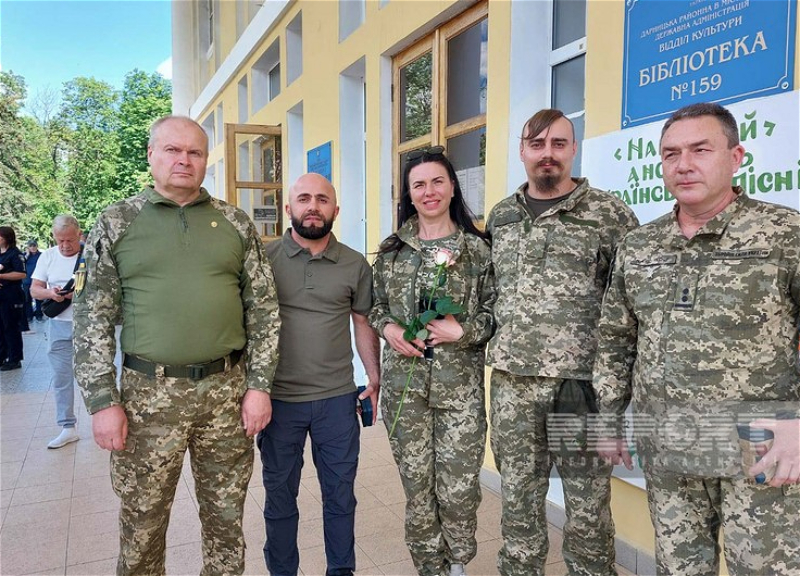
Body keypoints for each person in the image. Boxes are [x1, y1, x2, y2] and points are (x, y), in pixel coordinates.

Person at [594, 102, 800, 575]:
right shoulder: (639, 245)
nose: (683, 164)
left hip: (761, 447)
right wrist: (608, 417)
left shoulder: (784, 234)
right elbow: (616, 337)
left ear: (736, 156)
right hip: (669, 447)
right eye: (671, 154)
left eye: (700, 150)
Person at [74, 115, 281, 576]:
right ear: (151, 155)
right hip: (147, 397)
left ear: (206, 160)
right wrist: (102, 401)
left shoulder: (235, 222)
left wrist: (259, 386)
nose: (184, 160)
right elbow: (92, 319)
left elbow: (264, 310)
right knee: (143, 526)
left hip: (226, 394)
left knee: (226, 522)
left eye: (194, 152)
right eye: (172, 150)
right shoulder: (117, 222)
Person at [485, 109, 638, 576]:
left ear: (573, 149)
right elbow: (490, 293)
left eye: (558, 143)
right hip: (512, 384)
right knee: (518, 500)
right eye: (537, 144)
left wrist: (617, 399)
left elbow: (629, 305)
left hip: (582, 387)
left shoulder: (609, 214)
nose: (547, 154)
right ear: (522, 151)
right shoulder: (502, 216)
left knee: (588, 508)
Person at [370, 148, 495, 576]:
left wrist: (466, 331)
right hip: (405, 392)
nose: (429, 191)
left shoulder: (478, 251)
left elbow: (497, 313)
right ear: (409, 194)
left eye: (437, 181)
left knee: (459, 490)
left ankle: (457, 563)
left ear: (453, 187)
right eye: (419, 184)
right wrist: (389, 329)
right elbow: (375, 307)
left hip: (460, 393)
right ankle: (429, 568)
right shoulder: (392, 252)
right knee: (418, 491)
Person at [257, 172, 380, 576]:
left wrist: (373, 378)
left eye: (322, 199)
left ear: (335, 210)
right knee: (279, 498)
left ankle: (341, 571)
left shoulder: (354, 264)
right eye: (304, 198)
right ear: (288, 208)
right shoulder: (264, 261)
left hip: (337, 401)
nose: (313, 206)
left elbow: (362, 322)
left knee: (341, 498)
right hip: (278, 401)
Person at [29, 215, 83, 449]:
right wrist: (51, 293)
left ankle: (107, 423)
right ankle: (67, 427)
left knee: (97, 376)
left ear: (79, 234)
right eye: (60, 240)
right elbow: (34, 290)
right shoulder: (48, 256)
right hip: (58, 325)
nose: (65, 245)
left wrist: (77, 295)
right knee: (62, 378)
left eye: (70, 240)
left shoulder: (90, 256)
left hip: (88, 325)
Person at [0, 226, 26, 371]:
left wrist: (2, 276)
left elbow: (21, 274)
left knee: (11, 327)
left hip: (11, 295)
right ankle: (2, 356)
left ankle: (14, 358)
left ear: (7, 238)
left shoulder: (15, 254)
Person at [23, 240, 43, 323]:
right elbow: (20, 264)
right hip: (26, 280)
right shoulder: (24, 255)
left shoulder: (41, 255)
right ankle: (29, 316)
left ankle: (39, 315)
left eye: (34, 245)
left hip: (38, 279)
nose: (33, 247)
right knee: (27, 299)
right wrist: (27, 255)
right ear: (28, 247)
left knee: (39, 298)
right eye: (31, 246)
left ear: (37, 246)